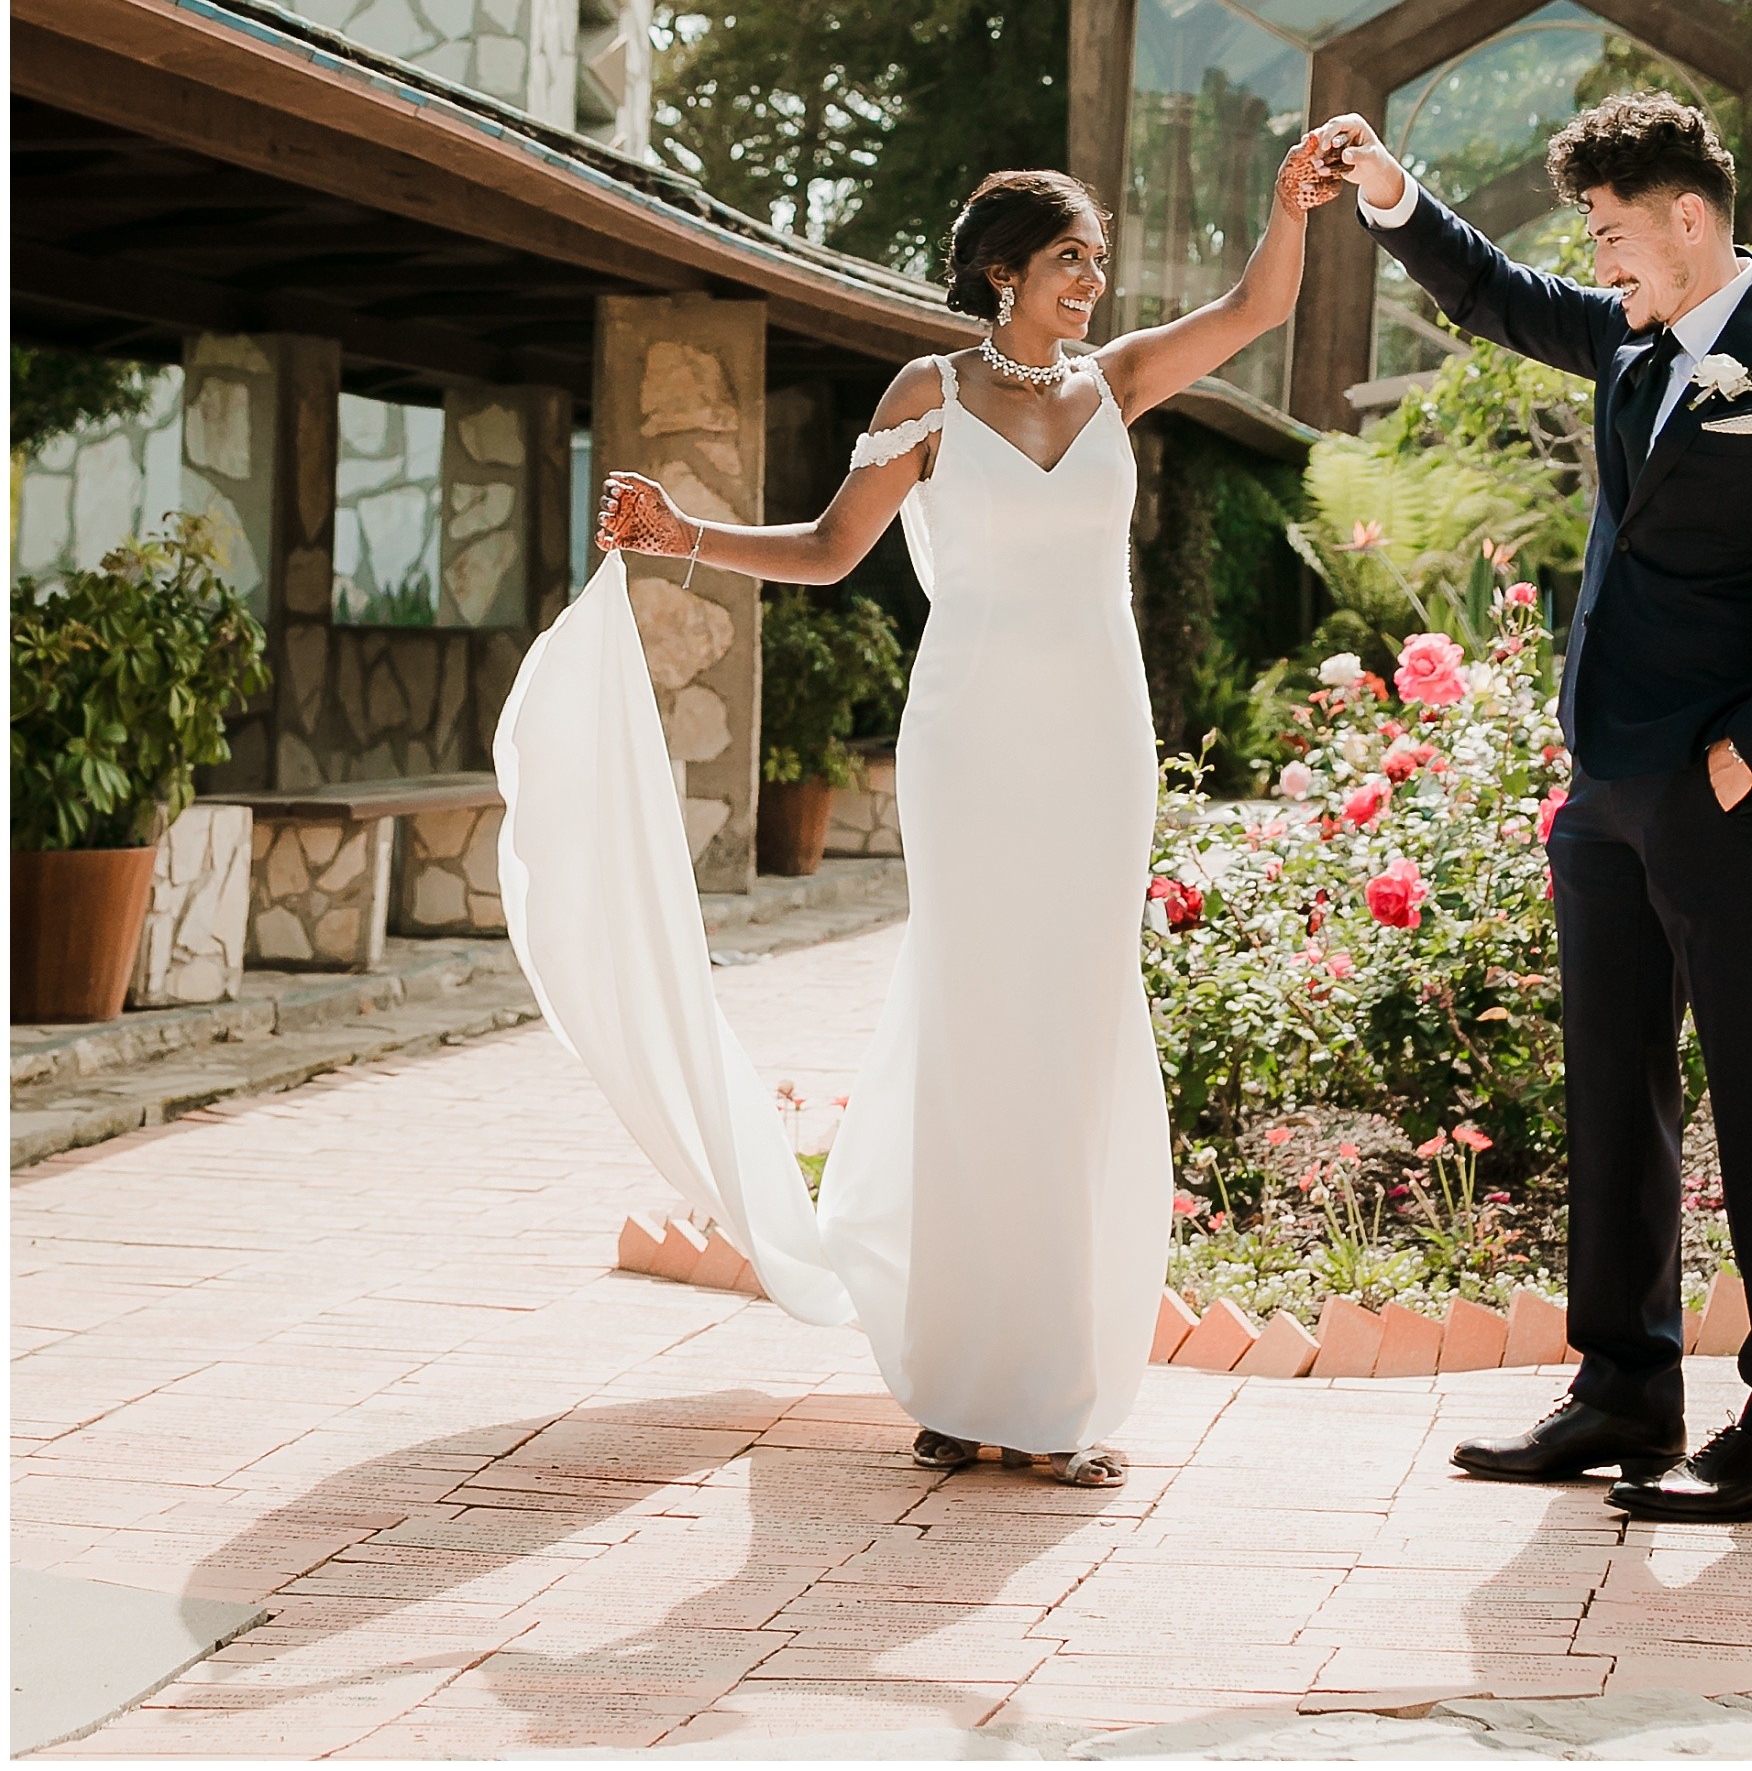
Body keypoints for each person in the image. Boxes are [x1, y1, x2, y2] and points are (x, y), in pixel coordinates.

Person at [496, 137, 1340, 1490]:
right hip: (973, 742)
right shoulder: (928, 395)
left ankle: (1056, 1389)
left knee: (1071, 1032)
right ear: (1002, 272)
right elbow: (834, 549)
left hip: (1098, 746)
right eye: (1071, 260)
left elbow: (1255, 310)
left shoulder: (1118, 381)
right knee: (972, 1027)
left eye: (1099, 263)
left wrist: (1290, 207)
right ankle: (958, 1379)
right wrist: (681, 538)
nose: (1092, 282)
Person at [1312, 91, 1752, 1524]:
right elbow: (1495, 293)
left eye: (1610, 234)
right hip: (1606, 793)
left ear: (1690, 221)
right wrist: (1394, 195)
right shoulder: (1637, 347)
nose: (1596, 261)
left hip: (1727, 794)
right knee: (1617, 1096)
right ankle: (1625, 1388)